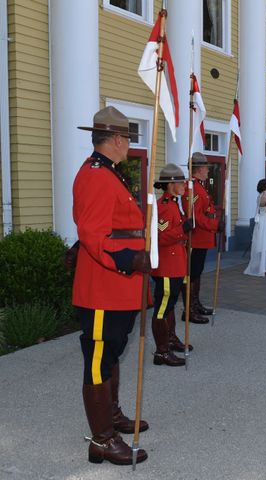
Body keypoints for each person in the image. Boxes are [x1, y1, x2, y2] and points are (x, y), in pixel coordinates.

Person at [73, 106, 149, 465]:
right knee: (99, 360)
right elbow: (92, 233)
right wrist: (129, 261)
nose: (129, 146)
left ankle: (112, 417)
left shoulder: (109, 173)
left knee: (112, 353)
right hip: (105, 286)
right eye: (128, 140)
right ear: (117, 140)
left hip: (118, 288)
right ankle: (102, 440)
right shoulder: (97, 175)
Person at [150, 164, 192, 367]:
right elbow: (158, 237)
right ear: (171, 185)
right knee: (162, 309)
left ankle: (170, 338)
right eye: (181, 182)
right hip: (167, 266)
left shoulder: (176, 203)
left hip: (177, 264)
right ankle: (161, 351)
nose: (184, 185)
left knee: (170, 306)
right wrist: (182, 230)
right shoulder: (164, 206)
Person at [182, 152, 220, 325]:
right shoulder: (193, 188)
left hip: (202, 237)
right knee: (191, 274)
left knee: (197, 273)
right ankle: (188, 309)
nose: (208, 171)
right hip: (196, 238)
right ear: (199, 169)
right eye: (206, 168)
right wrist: (214, 225)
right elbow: (194, 216)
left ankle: (195, 304)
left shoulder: (199, 186)